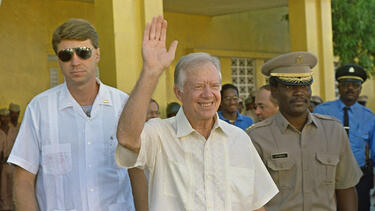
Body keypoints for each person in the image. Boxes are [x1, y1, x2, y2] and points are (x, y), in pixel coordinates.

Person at [115, 16, 278, 211]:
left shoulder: (239, 139)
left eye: (214, 86)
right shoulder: (159, 134)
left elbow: (256, 205)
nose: (208, 94)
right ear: (179, 92)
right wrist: (151, 71)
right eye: (198, 86)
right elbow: (126, 138)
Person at [7, 18, 135, 211]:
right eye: (66, 55)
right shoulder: (40, 108)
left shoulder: (123, 105)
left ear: (97, 54)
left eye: (83, 53)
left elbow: (138, 172)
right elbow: (23, 179)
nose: (75, 62)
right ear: (59, 59)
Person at [247, 52, 362, 211]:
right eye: (290, 86)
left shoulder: (333, 131)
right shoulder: (256, 138)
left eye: (305, 85)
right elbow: (252, 199)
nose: (299, 92)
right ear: (274, 90)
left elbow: (346, 188)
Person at [314, 64, 375, 211]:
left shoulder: (369, 116)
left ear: (360, 89)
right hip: (328, 176)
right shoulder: (322, 111)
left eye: (355, 85)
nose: (350, 88)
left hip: (360, 178)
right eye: (346, 84)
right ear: (339, 87)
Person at [0, 108, 18, 211]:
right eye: (3, 116)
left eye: (7, 116)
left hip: (13, 165)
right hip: (2, 166)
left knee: (13, 191)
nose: (5, 119)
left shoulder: (14, 131)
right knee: (3, 192)